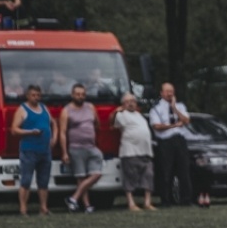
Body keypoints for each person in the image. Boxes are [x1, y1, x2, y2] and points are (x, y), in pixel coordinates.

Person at [11, 85, 57, 215]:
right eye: (33, 95)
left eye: (38, 95)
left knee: (43, 181)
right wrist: (30, 132)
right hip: (29, 150)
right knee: (26, 180)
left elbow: (53, 122)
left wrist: (54, 137)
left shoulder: (44, 108)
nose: (36, 98)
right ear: (27, 95)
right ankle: (23, 209)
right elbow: (14, 129)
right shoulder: (22, 110)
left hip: (45, 150)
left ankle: (43, 208)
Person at [58, 83, 103, 213]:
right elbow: (62, 132)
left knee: (97, 174)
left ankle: (73, 198)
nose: (80, 96)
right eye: (77, 94)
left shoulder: (90, 107)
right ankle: (87, 206)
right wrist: (64, 152)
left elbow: (97, 124)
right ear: (72, 95)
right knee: (81, 177)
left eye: (83, 94)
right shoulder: (66, 111)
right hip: (76, 148)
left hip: (91, 147)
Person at [148, 82, 194, 207]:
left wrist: (174, 108)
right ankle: (166, 200)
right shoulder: (156, 109)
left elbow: (186, 120)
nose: (170, 94)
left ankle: (186, 199)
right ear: (161, 93)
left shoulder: (180, 106)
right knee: (165, 171)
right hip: (165, 142)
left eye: (172, 91)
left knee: (184, 170)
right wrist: (173, 125)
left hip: (180, 140)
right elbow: (157, 126)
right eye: (167, 91)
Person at [112, 92, 156, 211]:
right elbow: (113, 123)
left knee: (149, 176)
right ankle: (131, 203)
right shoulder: (121, 115)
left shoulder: (139, 115)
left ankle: (147, 202)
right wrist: (117, 111)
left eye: (133, 101)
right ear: (123, 104)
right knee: (130, 177)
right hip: (130, 151)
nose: (131, 103)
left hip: (146, 151)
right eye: (128, 101)